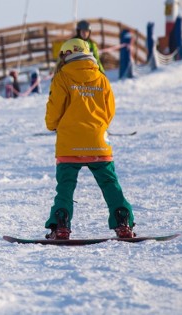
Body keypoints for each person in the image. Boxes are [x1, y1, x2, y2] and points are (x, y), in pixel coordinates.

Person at [44, 38, 135, 240]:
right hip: (98, 142)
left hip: (69, 143)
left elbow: (54, 110)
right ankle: (123, 224)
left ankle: (61, 226)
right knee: (110, 184)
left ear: (66, 55)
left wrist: (52, 125)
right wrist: (98, 127)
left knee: (65, 188)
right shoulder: (101, 78)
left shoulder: (62, 77)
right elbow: (109, 110)